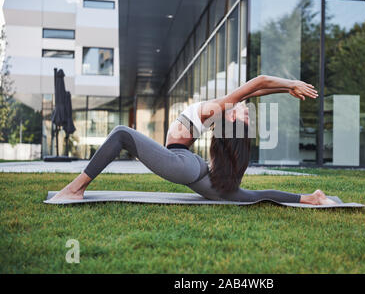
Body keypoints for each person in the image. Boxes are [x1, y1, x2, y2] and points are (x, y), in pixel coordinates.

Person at [48, 75, 336, 205]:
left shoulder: (220, 108)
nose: (245, 106)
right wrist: (286, 89)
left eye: (245, 112)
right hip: (196, 171)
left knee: (122, 133)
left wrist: (290, 85)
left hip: (183, 162)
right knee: (248, 196)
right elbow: (257, 88)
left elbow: (258, 82)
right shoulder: (221, 111)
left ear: (232, 120)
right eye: (246, 108)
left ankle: (75, 189)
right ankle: (310, 198)